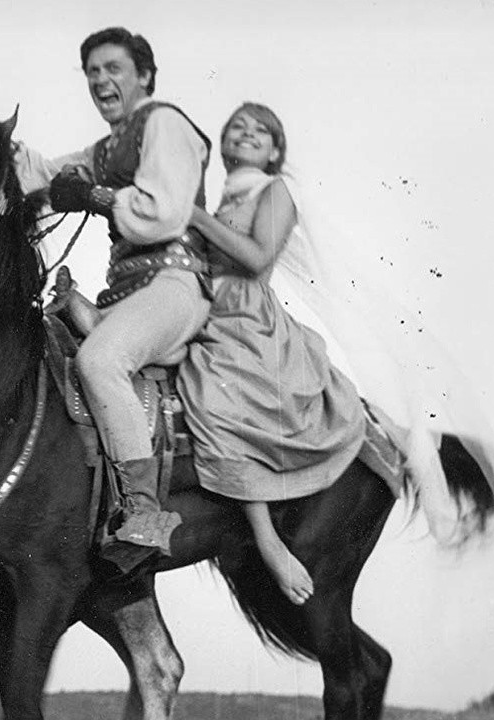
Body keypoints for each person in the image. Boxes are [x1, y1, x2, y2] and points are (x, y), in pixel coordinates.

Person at [16, 27, 213, 554]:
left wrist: (95, 196)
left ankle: (143, 509)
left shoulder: (164, 122)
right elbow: (41, 173)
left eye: (113, 68)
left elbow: (163, 211)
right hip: (128, 294)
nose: (100, 80)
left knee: (100, 360)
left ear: (144, 75)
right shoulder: (104, 149)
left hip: (174, 282)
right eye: (92, 72)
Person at [174, 103, 367, 605]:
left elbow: (258, 259)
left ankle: (269, 541)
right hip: (204, 308)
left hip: (244, 317)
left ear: (275, 150)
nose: (246, 132)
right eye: (237, 127)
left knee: (217, 399)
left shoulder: (275, 190)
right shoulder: (220, 197)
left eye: (260, 130)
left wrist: (194, 217)